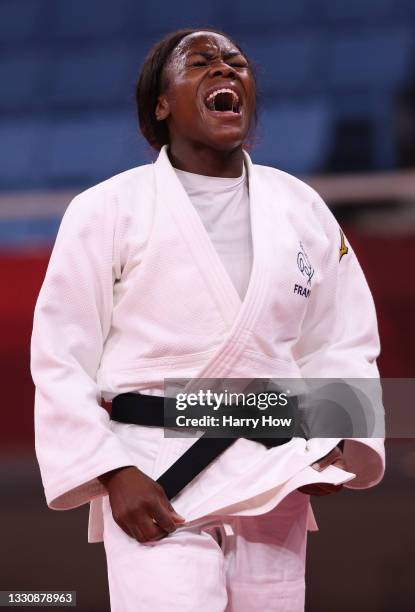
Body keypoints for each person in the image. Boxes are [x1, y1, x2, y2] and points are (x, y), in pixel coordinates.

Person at [31, 28, 385, 612]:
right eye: (201, 63)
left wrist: (336, 436)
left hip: (273, 471)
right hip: (153, 471)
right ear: (162, 104)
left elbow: (342, 336)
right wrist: (110, 471)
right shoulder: (106, 209)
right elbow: (61, 355)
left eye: (236, 63)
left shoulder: (300, 207)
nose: (225, 70)